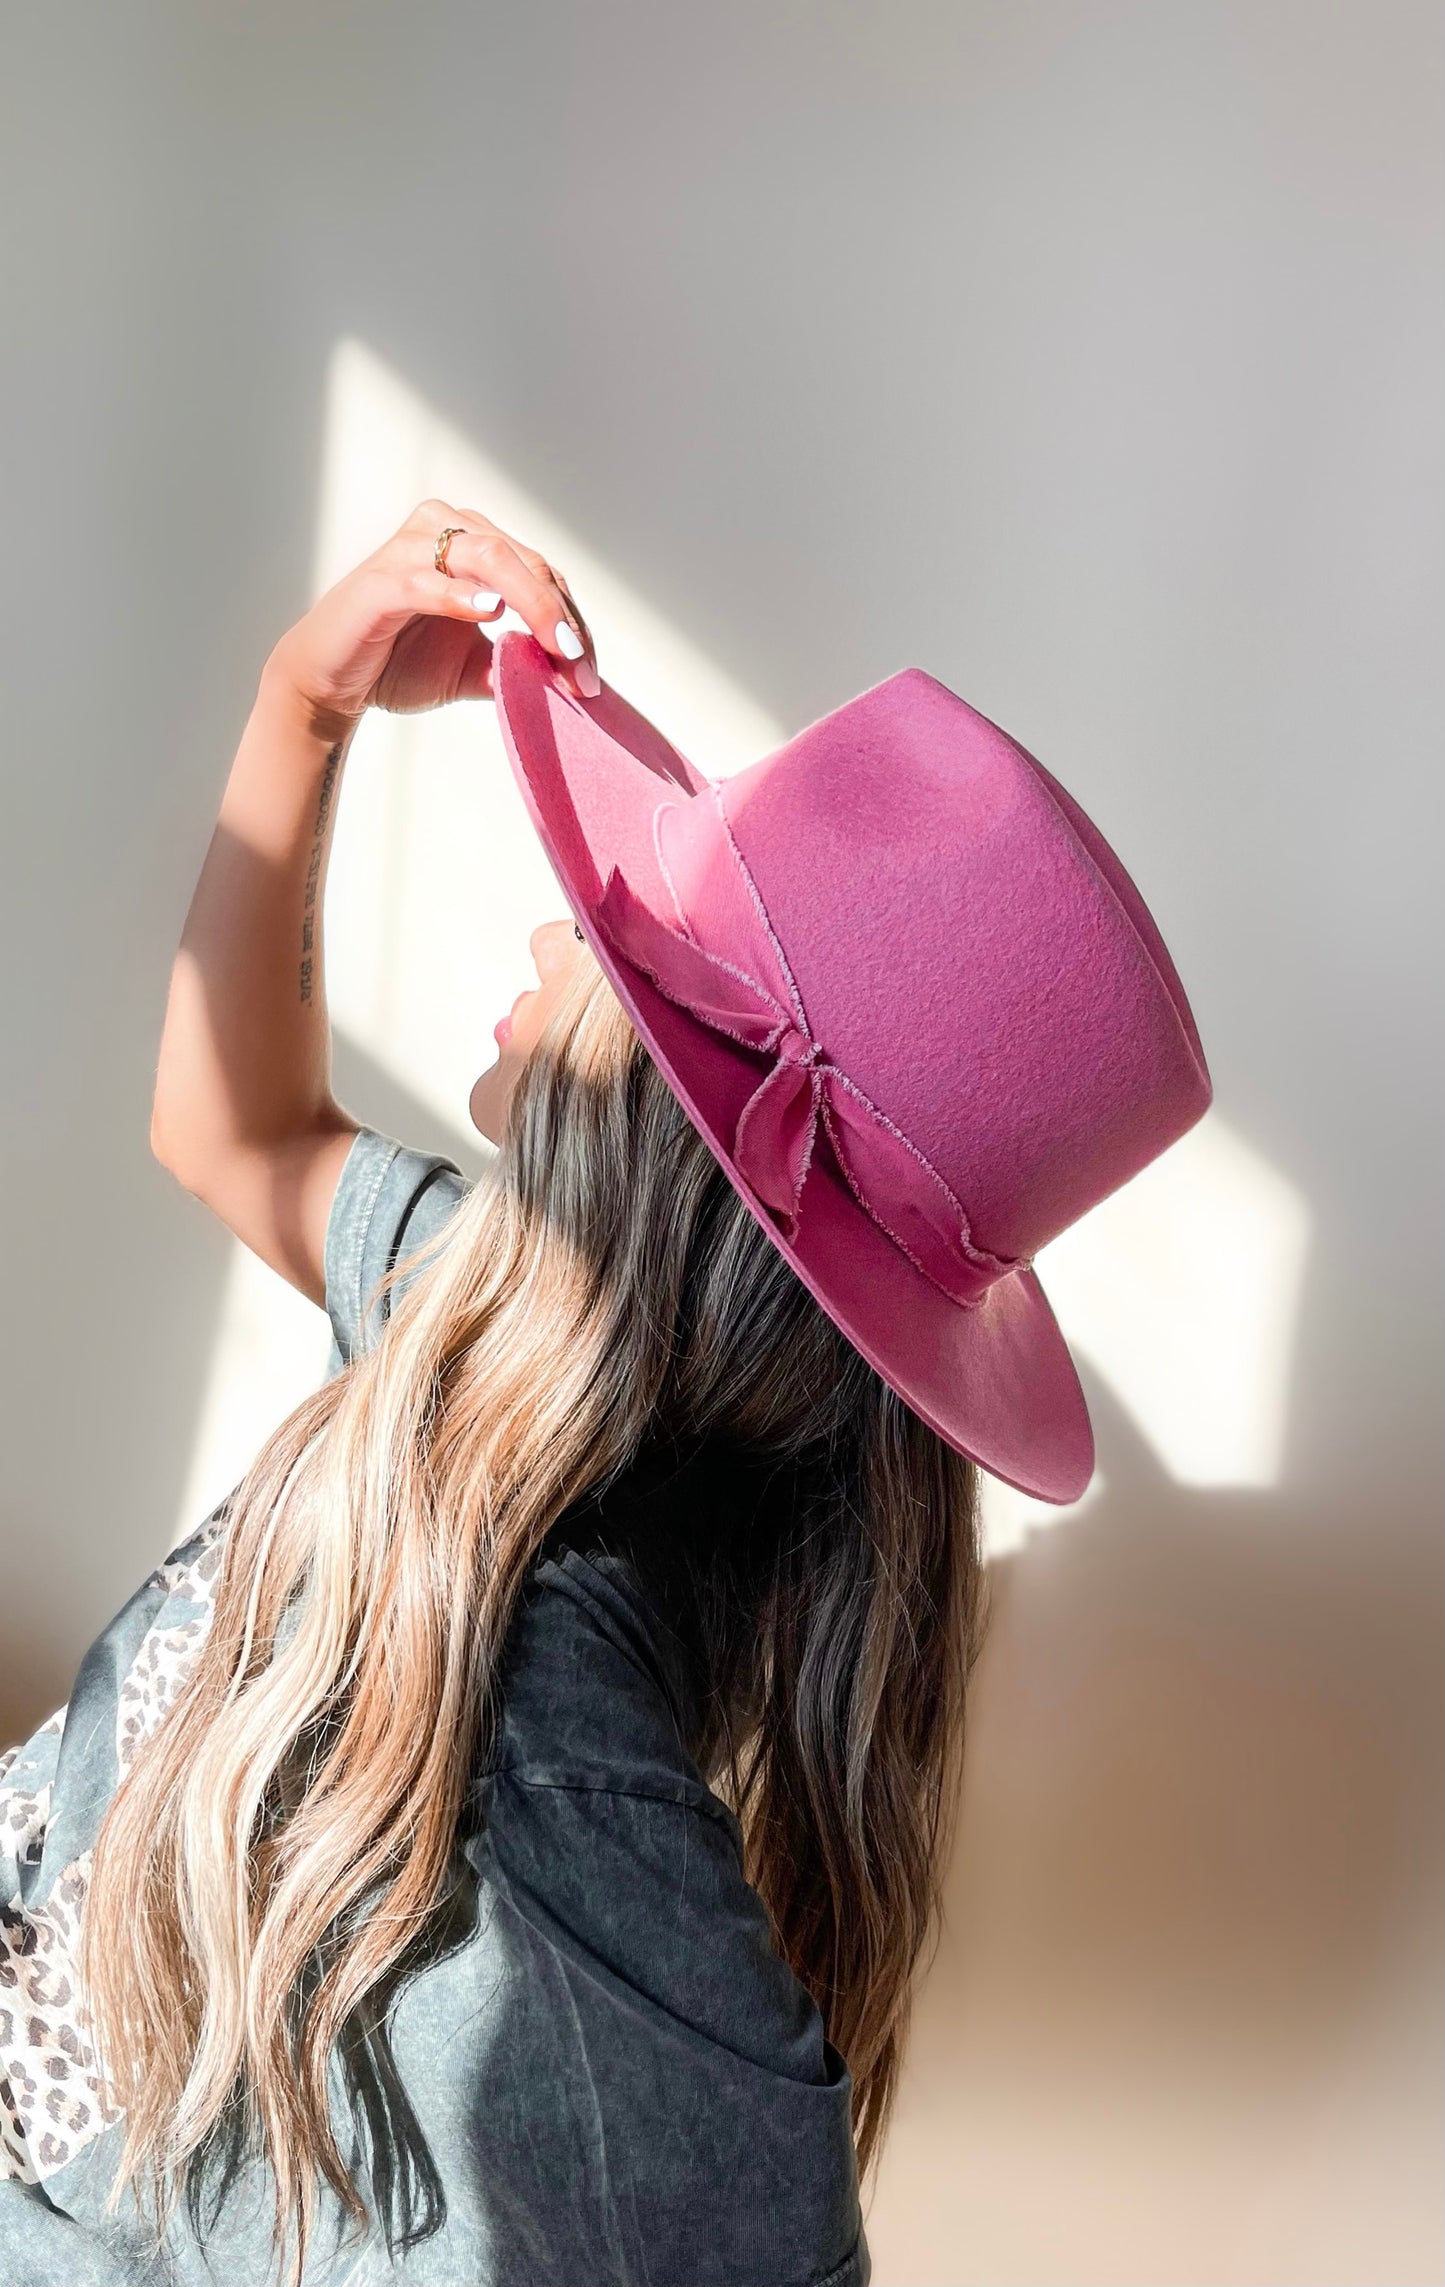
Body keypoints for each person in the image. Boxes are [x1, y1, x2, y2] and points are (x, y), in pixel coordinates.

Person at [0, 500, 1211, 2287]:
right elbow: (232, 1129)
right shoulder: (495, 1342)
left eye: (616, 933)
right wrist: (298, 705)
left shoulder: (572, 1854)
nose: (556, 934)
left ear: (665, 1125)